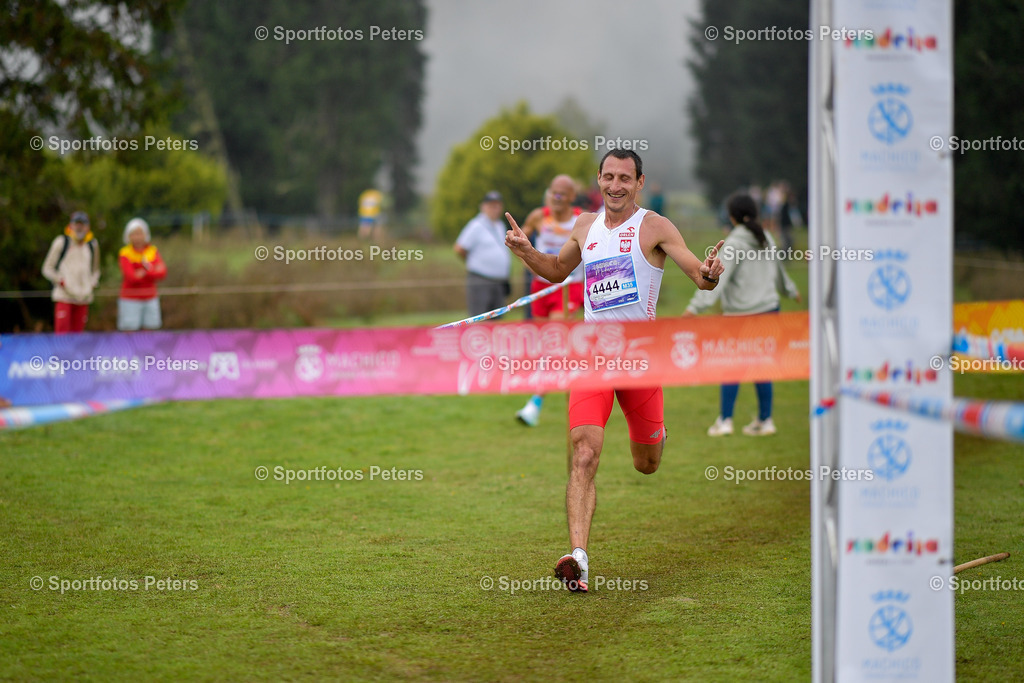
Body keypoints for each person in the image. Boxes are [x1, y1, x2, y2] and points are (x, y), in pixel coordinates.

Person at [505, 149, 725, 592]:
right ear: (598, 180)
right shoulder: (584, 225)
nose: (615, 185)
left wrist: (709, 273)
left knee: (647, 464)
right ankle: (579, 560)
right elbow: (556, 271)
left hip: (640, 360)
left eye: (625, 177)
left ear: (639, 182)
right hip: (592, 357)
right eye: (608, 177)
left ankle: (657, 434)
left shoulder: (655, 227)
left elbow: (697, 275)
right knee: (584, 453)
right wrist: (529, 252)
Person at [684, 193, 801, 437]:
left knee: (732, 366)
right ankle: (765, 420)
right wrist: (791, 290)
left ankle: (725, 421)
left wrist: (695, 308)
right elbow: (779, 270)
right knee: (763, 366)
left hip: (741, 315)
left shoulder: (733, 242)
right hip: (770, 309)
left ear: (731, 216)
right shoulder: (766, 237)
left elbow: (719, 279)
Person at [514, 175, 585, 427]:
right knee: (548, 346)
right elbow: (519, 242)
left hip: (568, 288)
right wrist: (529, 265)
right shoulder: (538, 216)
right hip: (540, 288)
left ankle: (535, 403)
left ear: (571, 197)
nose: (556, 197)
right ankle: (575, 386)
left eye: (562, 193)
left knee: (554, 344)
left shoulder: (582, 219)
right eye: (553, 192)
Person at [41, 211, 100, 333]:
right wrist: (60, 281)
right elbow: (47, 268)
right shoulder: (61, 242)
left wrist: (92, 284)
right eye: (76, 224)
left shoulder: (92, 245)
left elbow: (96, 270)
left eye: (82, 224)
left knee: (77, 338)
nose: (79, 227)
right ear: (70, 225)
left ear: (87, 227)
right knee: (62, 337)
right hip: (64, 297)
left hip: (83, 298)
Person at [454, 191, 511, 317]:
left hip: (499, 281)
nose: (494, 209)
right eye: (491, 205)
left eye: (497, 205)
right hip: (481, 279)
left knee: (497, 319)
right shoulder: (476, 225)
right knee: (480, 318)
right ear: (483, 207)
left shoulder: (500, 225)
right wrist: (476, 262)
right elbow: (460, 248)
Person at [118, 218, 167, 331]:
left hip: (150, 297)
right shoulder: (125, 253)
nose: (137, 237)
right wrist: (152, 271)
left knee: (150, 332)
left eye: (140, 233)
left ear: (146, 234)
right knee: (129, 331)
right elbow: (131, 277)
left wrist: (143, 273)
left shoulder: (153, 251)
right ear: (128, 236)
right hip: (130, 298)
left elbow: (162, 273)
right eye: (134, 234)